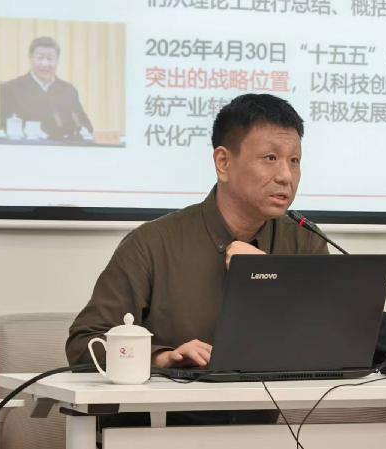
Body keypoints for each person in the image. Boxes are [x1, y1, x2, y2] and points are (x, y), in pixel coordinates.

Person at [66, 93, 327, 426]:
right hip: (157, 434)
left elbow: (327, 343)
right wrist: (160, 359)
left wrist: (272, 278)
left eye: (294, 160)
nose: (286, 176)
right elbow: (84, 345)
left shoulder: (304, 240)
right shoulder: (153, 244)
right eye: (270, 158)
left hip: (263, 434)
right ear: (223, 162)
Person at [0, 36, 93, 140]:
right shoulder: (11, 88)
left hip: (61, 148)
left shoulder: (69, 91)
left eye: (50, 59)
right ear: (30, 58)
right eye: (39, 58)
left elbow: (84, 124)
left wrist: (83, 130)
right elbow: (3, 126)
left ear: (57, 60)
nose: (45, 64)